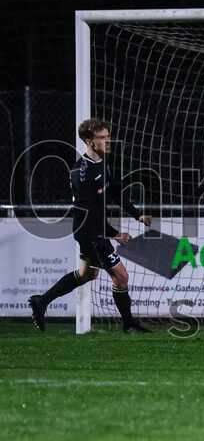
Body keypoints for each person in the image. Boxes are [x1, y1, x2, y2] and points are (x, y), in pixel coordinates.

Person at [29, 118, 153, 333]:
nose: (108, 140)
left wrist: (137, 214)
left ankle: (42, 300)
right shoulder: (82, 172)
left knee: (87, 274)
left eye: (108, 136)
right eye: (102, 137)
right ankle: (129, 324)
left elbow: (114, 190)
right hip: (89, 231)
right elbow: (88, 213)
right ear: (89, 141)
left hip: (93, 230)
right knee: (121, 276)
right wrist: (114, 234)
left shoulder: (102, 162)